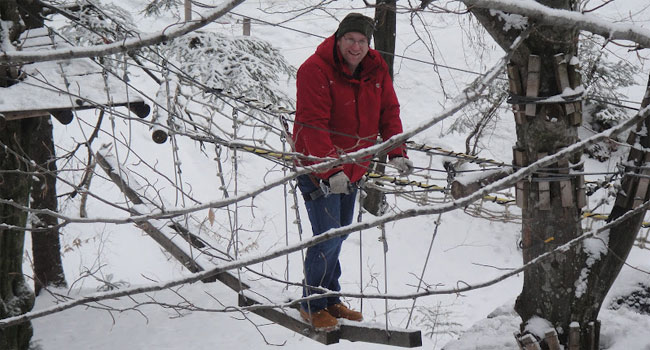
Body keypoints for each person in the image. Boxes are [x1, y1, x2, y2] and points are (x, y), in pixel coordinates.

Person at [292, 12, 413, 330]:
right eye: (350, 39)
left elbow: (389, 109)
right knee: (328, 235)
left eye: (362, 41)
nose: (356, 47)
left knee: (340, 232)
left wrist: (396, 149)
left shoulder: (376, 68)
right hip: (318, 168)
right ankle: (311, 302)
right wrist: (330, 169)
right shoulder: (314, 70)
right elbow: (312, 123)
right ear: (338, 38)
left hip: (354, 169)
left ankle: (330, 298)